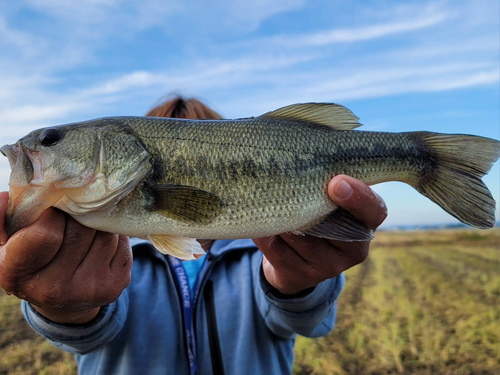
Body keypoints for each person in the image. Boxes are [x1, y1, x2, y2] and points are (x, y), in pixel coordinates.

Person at [0, 96, 387, 375]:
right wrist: (64, 308)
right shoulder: (103, 247)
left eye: (50, 139)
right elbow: (84, 338)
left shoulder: (269, 244)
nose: (37, 147)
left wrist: (298, 285)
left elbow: (308, 323)